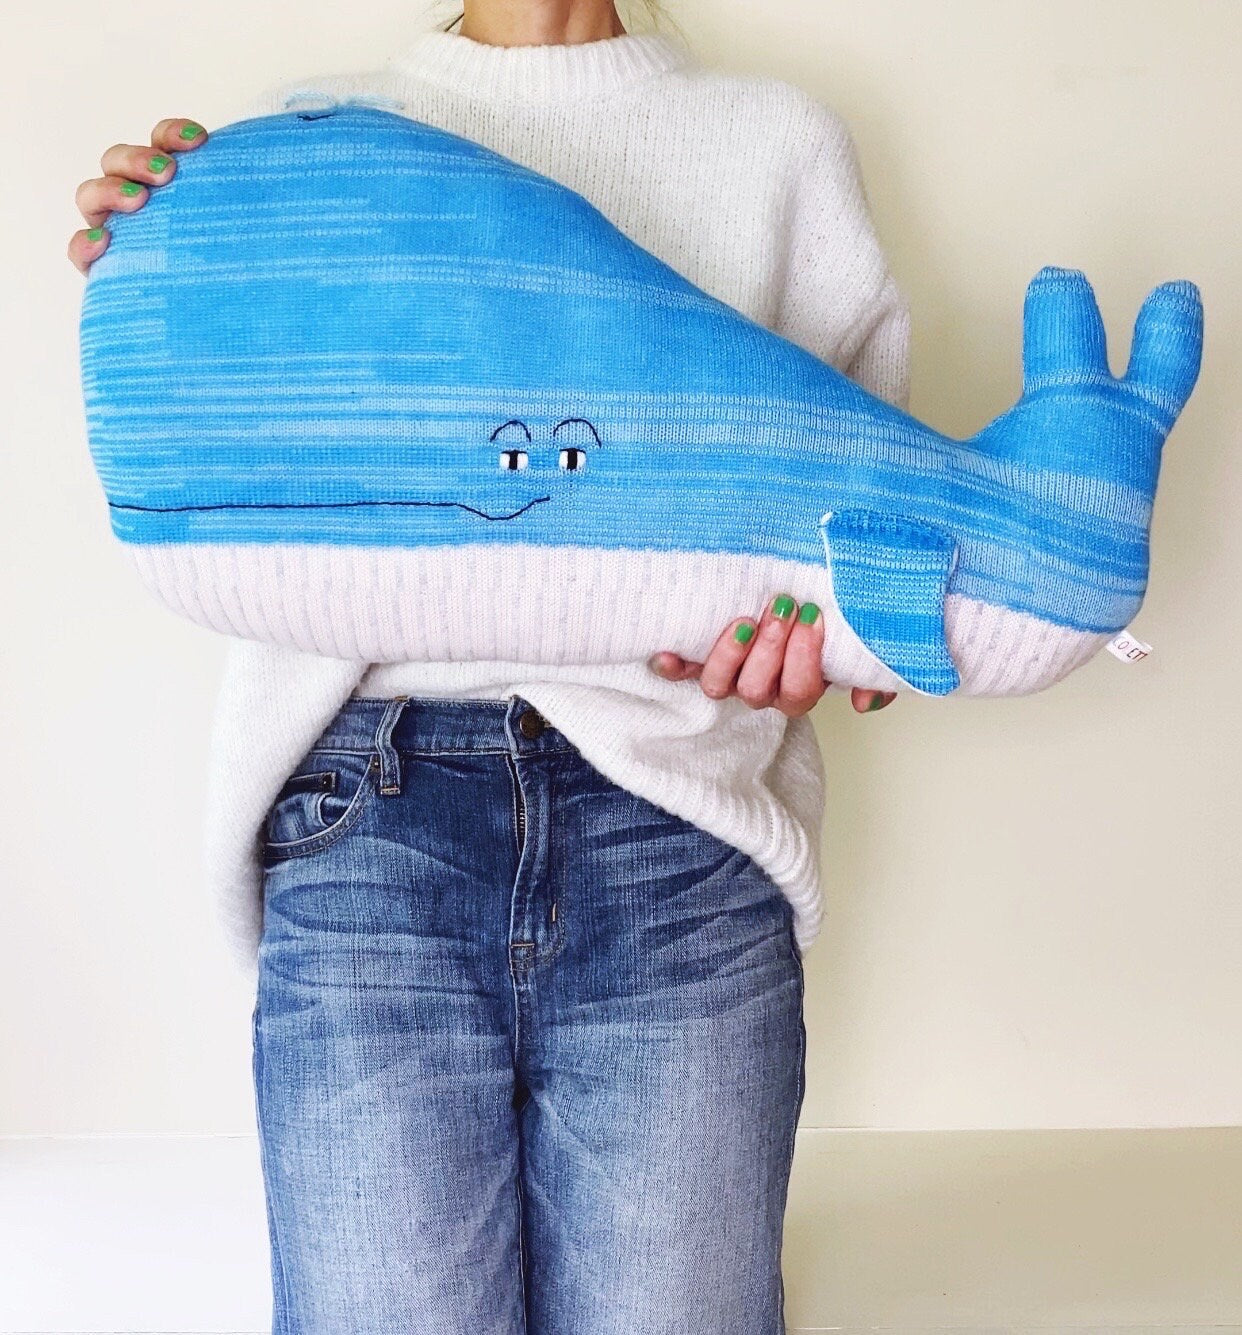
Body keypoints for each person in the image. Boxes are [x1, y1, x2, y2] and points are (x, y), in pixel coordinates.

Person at [68, 1, 909, 1329]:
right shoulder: (307, 128)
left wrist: (823, 650)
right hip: (366, 815)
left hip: (678, 825)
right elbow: (235, 443)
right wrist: (161, 257)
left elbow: (863, 546)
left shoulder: (774, 145)